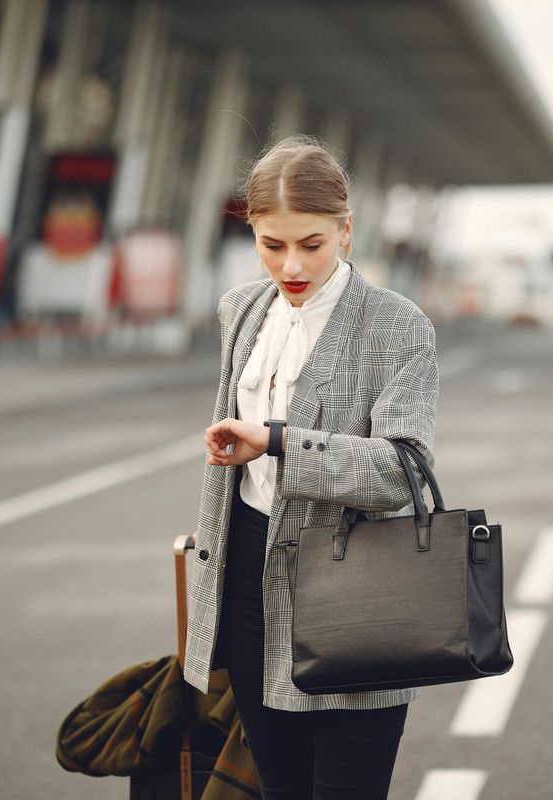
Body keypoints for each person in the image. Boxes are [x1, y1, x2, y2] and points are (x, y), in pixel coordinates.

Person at [184, 134, 439, 799]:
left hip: (357, 592)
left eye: (312, 244)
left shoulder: (397, 327)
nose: (291, 264)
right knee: (278, 789)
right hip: (246, 583)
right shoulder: (240, 311)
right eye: (272, 245)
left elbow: (399, 471)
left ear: (346, 231)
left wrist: (277, 441)